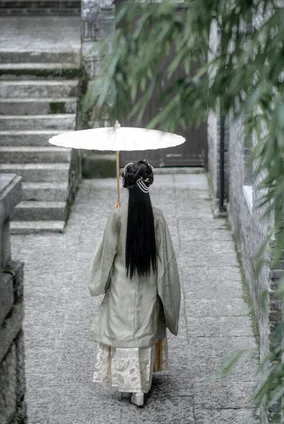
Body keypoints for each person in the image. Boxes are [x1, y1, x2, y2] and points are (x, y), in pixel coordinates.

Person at [88, 159, 180, 407]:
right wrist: (168, 301)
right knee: (143, 332)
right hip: (149, 290)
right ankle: (142, 384)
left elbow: (106, 255)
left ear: (127, 185)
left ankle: (132, 385)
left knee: (124, 334)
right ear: (149, 183)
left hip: (121, 289)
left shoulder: (117, 215)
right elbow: (166, 261)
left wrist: (98, 283)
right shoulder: (157, 216)